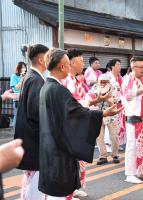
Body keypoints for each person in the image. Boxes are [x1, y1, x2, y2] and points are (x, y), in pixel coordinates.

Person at [39, 48, 121, 199]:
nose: (70, 68)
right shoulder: (58, 89)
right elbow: (75, 112)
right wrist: (103, 113)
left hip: (51, 143)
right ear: (62, 67)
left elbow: (73, 110)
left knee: (55, 190)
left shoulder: (47, 87)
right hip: (59, 147)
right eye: (68, 65)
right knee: (59, 191)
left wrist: (98, 102)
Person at [62, 48, 107, 197]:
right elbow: (77, 103)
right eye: (81, 60)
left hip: (77, 123)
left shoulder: (74, 79)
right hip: (71, 126)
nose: (83, 63)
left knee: (77, 161)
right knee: (70, 161)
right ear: (72, 62)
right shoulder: (68, 79)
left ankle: (73, 188)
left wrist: (96, 99)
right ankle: (68, 192)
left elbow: (82, 101)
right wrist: (93, 102)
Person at [13, 44, 49, 200]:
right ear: (41, 59)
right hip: (34, 140)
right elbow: (36, 112)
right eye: (48, 56)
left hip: (29, 138)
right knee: (35, 183)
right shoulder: (36, 80)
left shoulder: (31, 77)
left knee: (30, 180)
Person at [122, 56, 143, 184]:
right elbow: (127, 96)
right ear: (133, 67)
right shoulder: (127, 80)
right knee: (132, 147)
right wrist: (141, 90)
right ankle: (130, 174)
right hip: (134, 119)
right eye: (140, 67)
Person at [91, 74, 121, 165]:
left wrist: (107, 98)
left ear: (109, 82)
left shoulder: (113, 88)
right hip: (99, 114)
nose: (103, 84)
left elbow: (116, 101)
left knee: (114, 136)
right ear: (98, 82)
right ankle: (103, 156)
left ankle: (115, 154)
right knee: (99, 136)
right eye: (101, 82)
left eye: (105, 82)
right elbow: (91, 100)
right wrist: (98, 97)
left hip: (111, 114)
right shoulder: (95, 87)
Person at [10, 61, 27, 126]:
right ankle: (16, 134)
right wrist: (22, 78)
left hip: (25, 99)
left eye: (24, 67)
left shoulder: (26, 76)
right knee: (17, 118)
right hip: (17, 99)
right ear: (18, 68)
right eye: (22, 67)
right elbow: (15, 89)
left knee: (25, 118)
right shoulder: (14, 76)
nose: (24, 69)